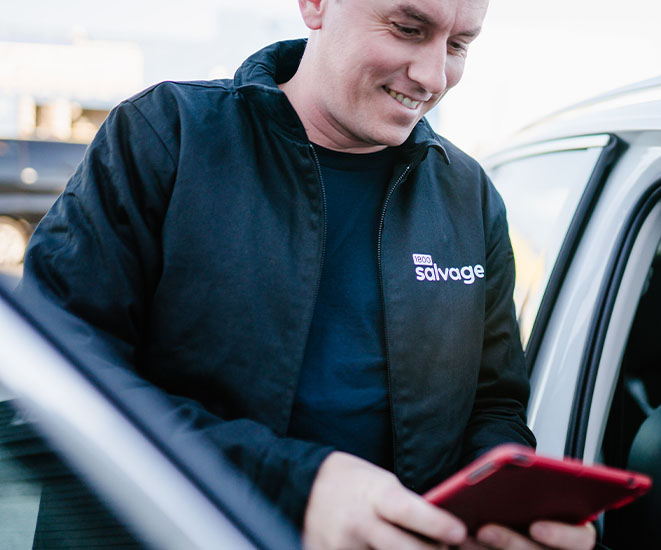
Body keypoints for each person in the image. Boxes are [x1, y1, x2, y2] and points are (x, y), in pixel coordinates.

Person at [16, 0, 596, 549]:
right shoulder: (166, 136)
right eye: (408, 28)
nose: (433, 76)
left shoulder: (468, 196)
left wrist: (510, 514)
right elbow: (43, 389)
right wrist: (296, 486)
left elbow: (493, 407)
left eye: (459, 44)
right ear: (316, 4)